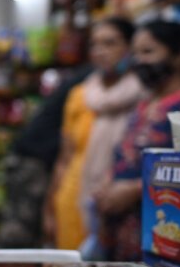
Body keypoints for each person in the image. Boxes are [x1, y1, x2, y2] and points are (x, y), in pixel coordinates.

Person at [94, 20, 180, 260]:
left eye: (148, 52)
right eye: (135, 53)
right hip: (124, 238)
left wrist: (134, 190)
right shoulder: (144, 104)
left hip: (168, 240)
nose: (138, 61)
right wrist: (107, 183)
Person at [44, 18, 142, 253]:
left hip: (124, 201)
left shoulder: (145, 94)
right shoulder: (80, 95)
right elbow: (65, 157)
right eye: (94, 45)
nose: (100, 51)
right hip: (75, 198)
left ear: (131, 47)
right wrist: (50, 207)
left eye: (110, 43)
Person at [0, 64, 91, 248]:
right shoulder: (88, 83)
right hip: (32, 160)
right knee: (19, 232)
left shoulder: (83, 81)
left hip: (32, 158)